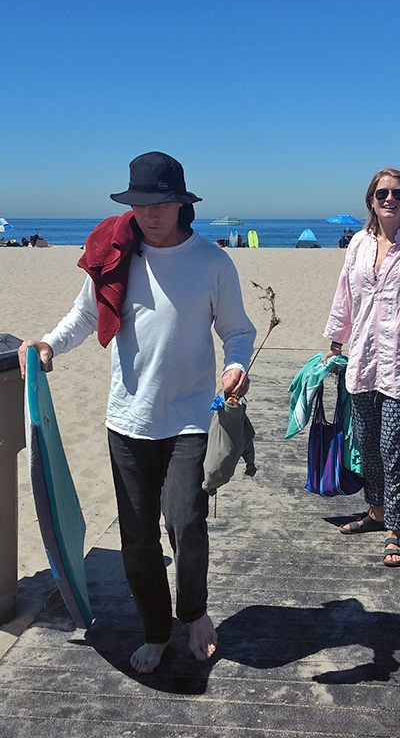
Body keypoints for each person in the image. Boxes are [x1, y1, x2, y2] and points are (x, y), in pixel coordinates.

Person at [18, 152, 256, 674]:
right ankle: (155, 629)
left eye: (160, 202)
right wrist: (50, 345)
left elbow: (239, 330)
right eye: (139, 202)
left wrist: (236, 364)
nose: (149, 213)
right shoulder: (117, 253)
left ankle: (193, 614)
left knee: (187, 522)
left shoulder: (213, 262)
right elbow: (85, 315)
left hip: (192, 416)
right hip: (128, 419)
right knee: (138, 534)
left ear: (180, 203)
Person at [323, 168, 400, 567]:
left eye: (398, 193)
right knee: (368, 448)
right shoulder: (358, 245)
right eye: (382, 193)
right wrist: (334, 343)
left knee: (394, 448)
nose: (389, 199)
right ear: (371, 200)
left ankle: (395, 527)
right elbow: (345, 295)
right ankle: (376, 511)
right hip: (362, 361)